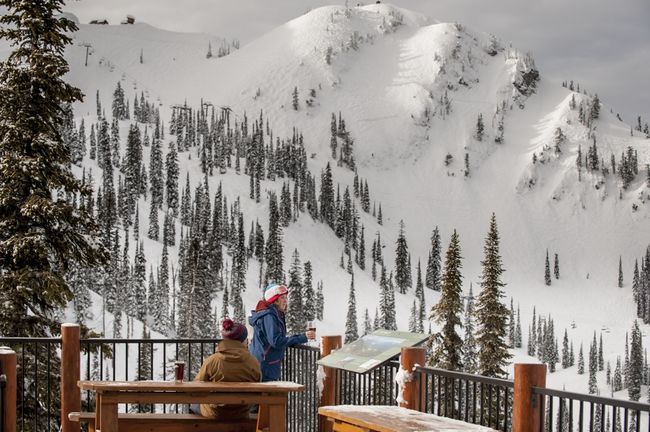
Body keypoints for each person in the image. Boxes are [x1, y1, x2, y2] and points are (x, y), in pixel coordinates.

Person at [192, 319, 261, 419]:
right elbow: (257, 385)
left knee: (194, 405)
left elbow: (197, 386)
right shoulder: (253, 362)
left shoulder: (212, 361)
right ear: (243, 341)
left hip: (215, 412)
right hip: (241, 412)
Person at [249, 283, 316, 382]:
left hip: (263, 363)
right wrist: (303, 337)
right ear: (274, 300)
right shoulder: (269, 316)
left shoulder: (271, 313)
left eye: (286, 297)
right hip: (266, 366)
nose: (286, 301)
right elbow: (276, 341)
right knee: (268, 396)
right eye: (282, 298)